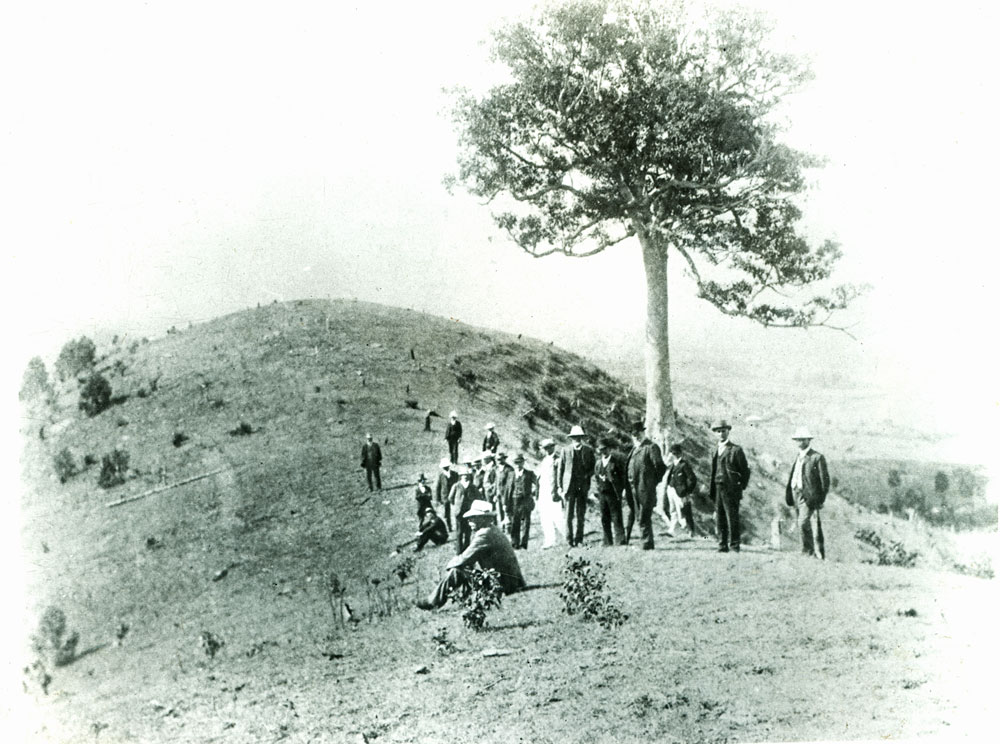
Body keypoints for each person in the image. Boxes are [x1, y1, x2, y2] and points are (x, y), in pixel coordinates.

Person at [416, 500, 526, 610]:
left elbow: (464, 558)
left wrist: (450, 564)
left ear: (483, 518)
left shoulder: (484, 534)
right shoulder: (491, 529)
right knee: (466, 569)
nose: (469, 520)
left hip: (504, 584)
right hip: (511, 581)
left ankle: (432, 602)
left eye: (473, 517)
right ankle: (464, 598)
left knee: (457, 571)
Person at [784, 427, 830, 559]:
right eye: (798, 439)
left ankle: (808, 551)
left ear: (808, 440)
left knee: (803, 522)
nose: (800, 442)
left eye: (803, 439)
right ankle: (807, 551)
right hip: (795, 493)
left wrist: (820, 499)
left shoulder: (817, 457)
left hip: (808, 496)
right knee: (801, 523)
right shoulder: (798, 456)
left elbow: (825, 481)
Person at [709, 420, 751, 553]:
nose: (721, 434)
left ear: (728, 432)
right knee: (720, 518)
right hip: (717, 487)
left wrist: (739, 487)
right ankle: (722, 545)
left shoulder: (735, 450)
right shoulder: (714, 450)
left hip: (731, 489)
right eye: (718, 431)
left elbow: (745, 471)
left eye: (724, 431)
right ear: (715, 433)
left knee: (732, 517)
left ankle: (734, 546)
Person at [626, 421, 667, 550]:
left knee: (644, 516)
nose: (636, 436)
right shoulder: (635, 449)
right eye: (633, 435)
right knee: (639, 516)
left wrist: (652, 482)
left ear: (643, 432)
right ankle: (646, 542)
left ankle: (647, 543)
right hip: (634, 488)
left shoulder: (651, 447)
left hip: (645, 488)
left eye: (638, 434)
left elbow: (660, 467)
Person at [558, 425, 596, 547]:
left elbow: (593, 468)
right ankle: (569, 540)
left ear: (582, 438)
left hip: (582, 487)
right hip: (569, 487)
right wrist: (560, 486)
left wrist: (587, 476)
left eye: (579, 437)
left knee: (580, 514)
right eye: (574, 437)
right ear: (571, 438)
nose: (576, 439)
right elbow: (561, 469)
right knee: (568, 515)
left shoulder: (588, 451)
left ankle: (578, 539)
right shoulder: (565, 450)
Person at [594, 437, 631, 546]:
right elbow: (596, 477)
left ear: (609, 449)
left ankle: (620, 540)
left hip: (613, 493)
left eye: (605, 449)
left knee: (616, 517)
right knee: (604, 517)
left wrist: (623, 489)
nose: (603, 452)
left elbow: (623, 477)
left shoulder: (615, 462)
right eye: (601, 450)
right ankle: (607, 541)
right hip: (602, 493)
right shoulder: (598, 463)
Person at [665, 444, 699, 538]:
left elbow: (692, 479)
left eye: (675, 453)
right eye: (672, 453)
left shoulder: (684, 465)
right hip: (671, 490)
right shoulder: (673, 465)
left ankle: (689, 531)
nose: (673, 455)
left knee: (683, 511)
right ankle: (673, 530)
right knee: (673, 511)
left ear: (679, 453)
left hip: (680, 492)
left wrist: (686, 491)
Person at [536, 438, 564, 548]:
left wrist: (559, 489)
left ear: (553, 447)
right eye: (545, 448)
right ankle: (550, 541)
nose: (547, 450)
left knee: (557, 516)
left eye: (549, 447)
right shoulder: (544, 461)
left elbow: (559, 476)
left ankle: (568, 537)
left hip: (553, 491)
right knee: (545, 517)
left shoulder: (558, 460)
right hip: (544, 491)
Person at [449, 467, 482, 554]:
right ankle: (459, 551)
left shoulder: (472, 486)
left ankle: (467, 549)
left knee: (468, 532)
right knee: (459, 532)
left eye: (466, 475)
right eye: (463, 475)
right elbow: (450, 498)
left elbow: (478, 497)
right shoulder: (456, 486)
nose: (465, 477)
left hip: (469, 512)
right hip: (459, 512)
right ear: (460, 476)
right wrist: (457, 506)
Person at [508, 454, 537, 549]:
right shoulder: (511, 474)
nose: (518, 465)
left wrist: (534, 492)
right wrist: (506, 502)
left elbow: (537, 483)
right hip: (514, 500)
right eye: (516, 463)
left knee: (526, 522)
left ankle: (524, 543)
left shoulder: (529, 473)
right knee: (515, 521)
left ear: (523, 462)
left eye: (519, 462)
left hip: (526, 500)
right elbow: (508, 489)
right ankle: (515, 543)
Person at [435, 457, 458, 531]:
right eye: (444, 467)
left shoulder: (455, 474)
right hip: (444, 497)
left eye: (447, 466)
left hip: (454, 496)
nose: (446, 468)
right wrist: (438, 499)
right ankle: (449, 527)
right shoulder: (441, 476)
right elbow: (438, 488)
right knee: (446, 513)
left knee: (456, 511)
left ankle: (457, 525)